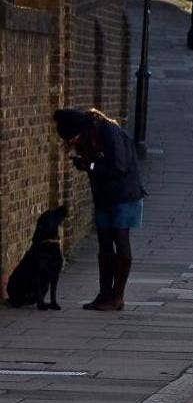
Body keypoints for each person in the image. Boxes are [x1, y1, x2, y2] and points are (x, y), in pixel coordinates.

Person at [53, 107, 142, 313]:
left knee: (120, 241)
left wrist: (90, 166)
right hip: (104, 197)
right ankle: (104, 294)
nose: (72, 143)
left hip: (124, 195)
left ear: (81, 129)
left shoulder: (109, 132)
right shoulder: (88, 136)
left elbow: (118, 167)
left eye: (73, 138)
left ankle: (117, 296)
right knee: (104, 244)